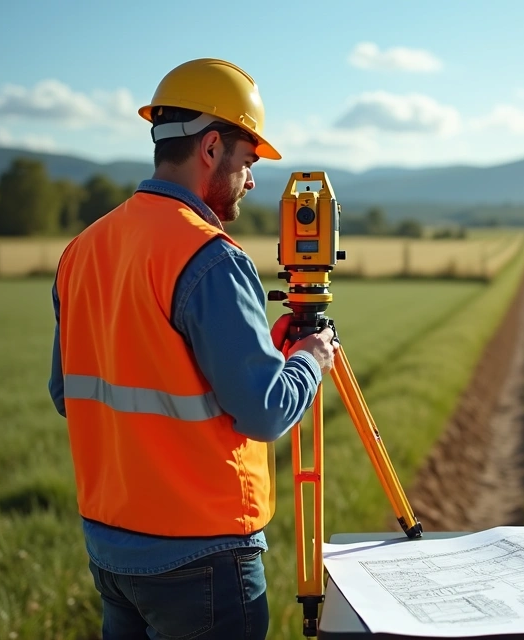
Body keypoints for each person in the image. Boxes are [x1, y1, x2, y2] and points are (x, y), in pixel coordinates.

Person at [47, 57, 336, 639]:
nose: (250, 180)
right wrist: (310, 359)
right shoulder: (210, 257)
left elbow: (68, 393)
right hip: (202, 555)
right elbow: (265, 411)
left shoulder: (83, 249)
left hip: (110, 547)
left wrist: (253, 355)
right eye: (247, 161)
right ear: (210, 148)